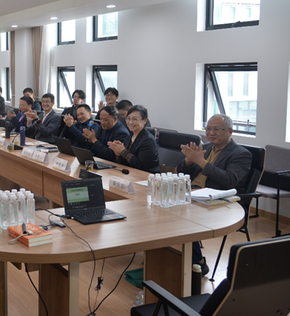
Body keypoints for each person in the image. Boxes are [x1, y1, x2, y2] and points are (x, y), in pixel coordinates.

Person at [177, 113, 252, 275]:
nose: (211, 133)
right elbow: (181, 173)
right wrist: (188, 160)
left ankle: (197, 262)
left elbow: (230, 180)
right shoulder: (206, 147)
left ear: (230, 131)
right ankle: (174, 258)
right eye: (208, 129)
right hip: (193, 193)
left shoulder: (240, 153)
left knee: (179, 216)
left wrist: (200, 161)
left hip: (219, 201)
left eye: (216, 129)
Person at [106, 105, 159, 172]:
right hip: (131, 173)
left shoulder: (148, 140)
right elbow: (126, 163)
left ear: (145, 121)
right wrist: (118, 154)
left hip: (146, 176)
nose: (130, 122)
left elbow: (141, 166)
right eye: (128, 118)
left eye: (135, 119)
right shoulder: (129, 137)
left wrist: (123, 151)